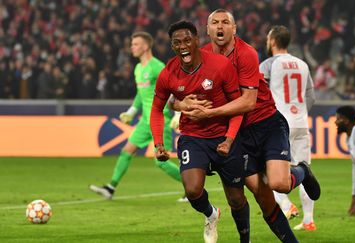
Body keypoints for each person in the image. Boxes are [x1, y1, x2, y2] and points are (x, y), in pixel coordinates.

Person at [173, 9, 321, 242]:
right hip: (239, 132)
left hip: (267, 124)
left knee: (280, 185)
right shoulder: (200, 57)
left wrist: (209, 112)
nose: (220, 26)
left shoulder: (246, 54)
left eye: (225, 22)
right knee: (260, 196)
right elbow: (173, 91)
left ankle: (302, 170)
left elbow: (248, 102)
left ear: (234, 29)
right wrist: (182, 104)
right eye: (215, 22)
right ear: (208, 30)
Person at [150, 20, 250, 243]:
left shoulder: (220, 65)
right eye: (177, 43)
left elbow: (239, 106)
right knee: (193, 190)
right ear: (172, 46)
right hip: (193, 137)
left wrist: (229, 139)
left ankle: (246, 240)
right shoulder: (168, 73)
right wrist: (158, 144)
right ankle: (211, 214)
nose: (183, 46)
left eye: (187, 40)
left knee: (236, 199)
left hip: (224, 136)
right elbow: (157, 110)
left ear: (196, 40)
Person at [89, 31, 183, 201]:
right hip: (145, 121)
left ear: (146, 46)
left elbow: (174, 89)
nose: (132, 47)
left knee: (160, 161)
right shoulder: (138, 68)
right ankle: (110, 188)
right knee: (126, 151)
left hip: (160, 120)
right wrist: (131, 112)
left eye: (136, 44)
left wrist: (178, 113)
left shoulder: (157, 66)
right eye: (132, 44)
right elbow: (141, 94)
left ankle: (192, 187)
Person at [259, 25, 317, 231]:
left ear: (273, 41)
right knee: (305, 170)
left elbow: (258, 94)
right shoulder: (302, 64)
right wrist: (299, 112)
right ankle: (309, 219)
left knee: (265, 172)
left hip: (278, 125)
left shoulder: (268, 65)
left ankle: (286, 204)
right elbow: (311, 96)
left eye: (268, 39)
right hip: (301, 122)